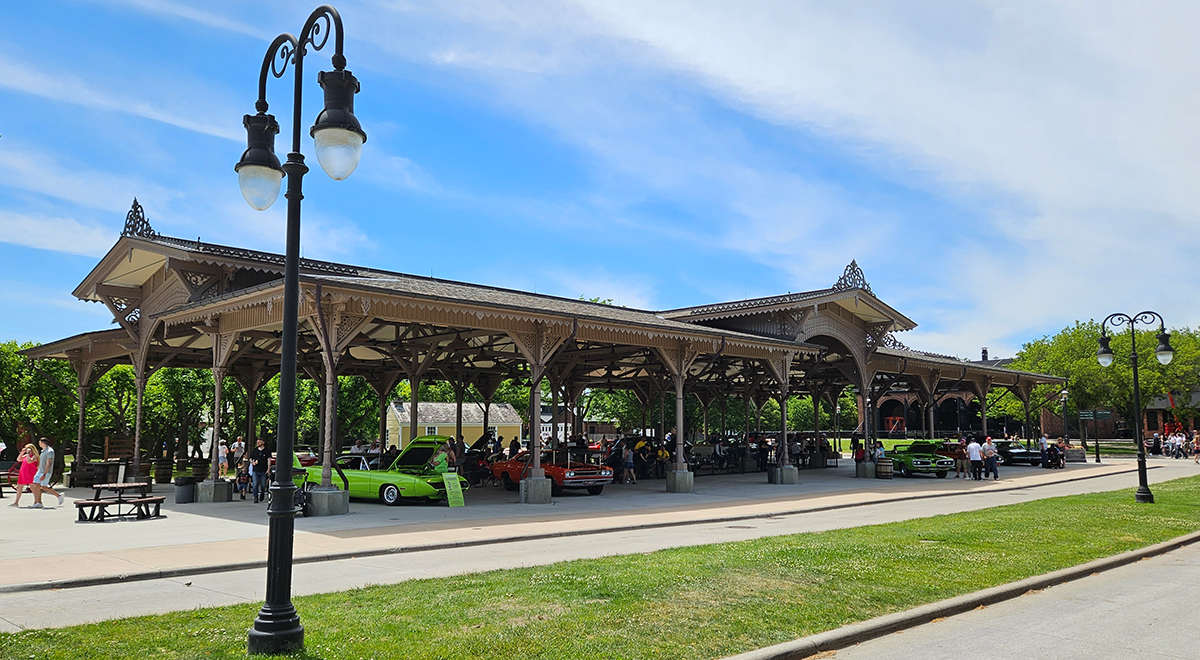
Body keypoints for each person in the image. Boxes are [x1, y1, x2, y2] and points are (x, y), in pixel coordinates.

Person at [30, 437, 64, 508]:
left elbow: (48, 463)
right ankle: (38, 502)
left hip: (46, 472)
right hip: (40, 471)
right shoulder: (43, 451)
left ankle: (59, 496)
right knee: (34, 485)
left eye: (39, 442)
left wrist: (44, 474)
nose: (39, 443)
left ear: (42, 442)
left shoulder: (50, 451)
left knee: (44, 487)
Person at [9, 443, 39, 507]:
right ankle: (16, 502)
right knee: (19, 487)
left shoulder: (34, 456)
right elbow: (19, 459)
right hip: (23, 473)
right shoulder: (26, 456)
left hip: (31, 473)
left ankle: (36, 501)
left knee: (33, 488)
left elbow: (29, 461)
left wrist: (28, 453)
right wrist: (22, 452)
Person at [248, 438, 270, 503]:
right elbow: (250, 459)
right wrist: (252, 462)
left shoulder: (267, 451)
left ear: (263, 442)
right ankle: (255, 496)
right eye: (257, 442)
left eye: (259, 442)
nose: (258, 443)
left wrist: (268, 469)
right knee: (255, 484)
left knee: (263, 484)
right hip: (255, 470)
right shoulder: (255, 451)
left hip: (263, 470)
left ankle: (262, 493)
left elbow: (269, 460)